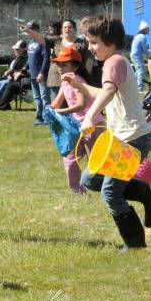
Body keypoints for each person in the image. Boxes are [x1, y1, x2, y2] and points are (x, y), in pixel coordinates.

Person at [61, 14, 151, 253]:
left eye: (94, 41)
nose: (90, 47)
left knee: (110, 192)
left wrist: (89, 116)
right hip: (119, 139)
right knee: (89, 179)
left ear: (109, 40)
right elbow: (105, 93)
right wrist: (80, 87)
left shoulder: (115, 62)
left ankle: (135, 244)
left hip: (133, 139)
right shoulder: (114, 62)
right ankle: (149, 193)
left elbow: (107, 91)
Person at [46, 46, 104, 194]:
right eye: (58, 64)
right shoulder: (65, 81)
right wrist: (50, 110)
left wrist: (61, 112)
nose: (60, 67)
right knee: (70, 157)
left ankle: (106, 189)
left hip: (92, 124)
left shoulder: (77, 80)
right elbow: (57, 102)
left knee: (95, 160)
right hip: (76, 126)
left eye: (64, 64)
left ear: (75, 66)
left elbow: (81, 104)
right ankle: (77, 190)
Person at [22, 21, 51, 126]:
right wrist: (25, 67)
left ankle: (47, 119)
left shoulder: (42, 42)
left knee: (44, 97)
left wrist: (42, 73)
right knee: (36, 97)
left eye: (31, 29)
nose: (29, 31)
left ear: (36, 30)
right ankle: (39, 117)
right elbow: (30, 57)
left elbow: (46, 58)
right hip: (32, 74)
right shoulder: (31, 42)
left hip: (41, 75)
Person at [130, 20, 151, 92]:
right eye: (148, 28)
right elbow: (145, 50)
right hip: (137, 57)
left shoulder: (138, 36)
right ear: (144, 29)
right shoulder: (142, 37)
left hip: (135, 56)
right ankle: (140, 89)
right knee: (141, 71)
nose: (149, 30)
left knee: (138, 71)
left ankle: (133, 86)